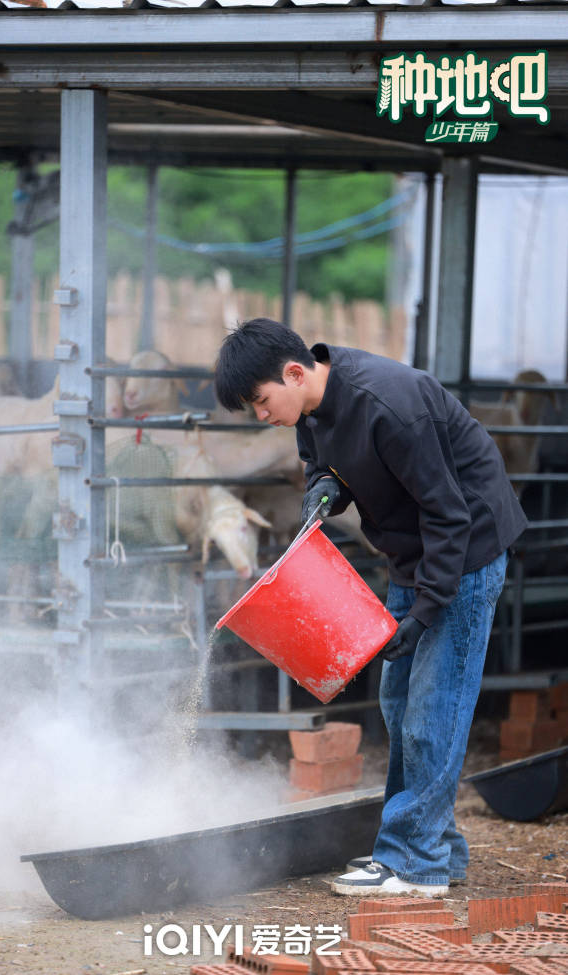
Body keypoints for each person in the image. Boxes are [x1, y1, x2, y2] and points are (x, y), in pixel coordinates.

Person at [214, 318, 527, 897]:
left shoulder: (391, 405)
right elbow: (323, 461)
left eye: (260, 401)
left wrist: (426, 610)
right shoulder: (312, 408)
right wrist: (325, 487)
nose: (261, 415)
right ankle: (435, 849)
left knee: (436, 707)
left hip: (464, 554)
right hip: (413, 556)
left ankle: (415, 864)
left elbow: (449, 514)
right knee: (400, 699)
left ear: (293, 371)